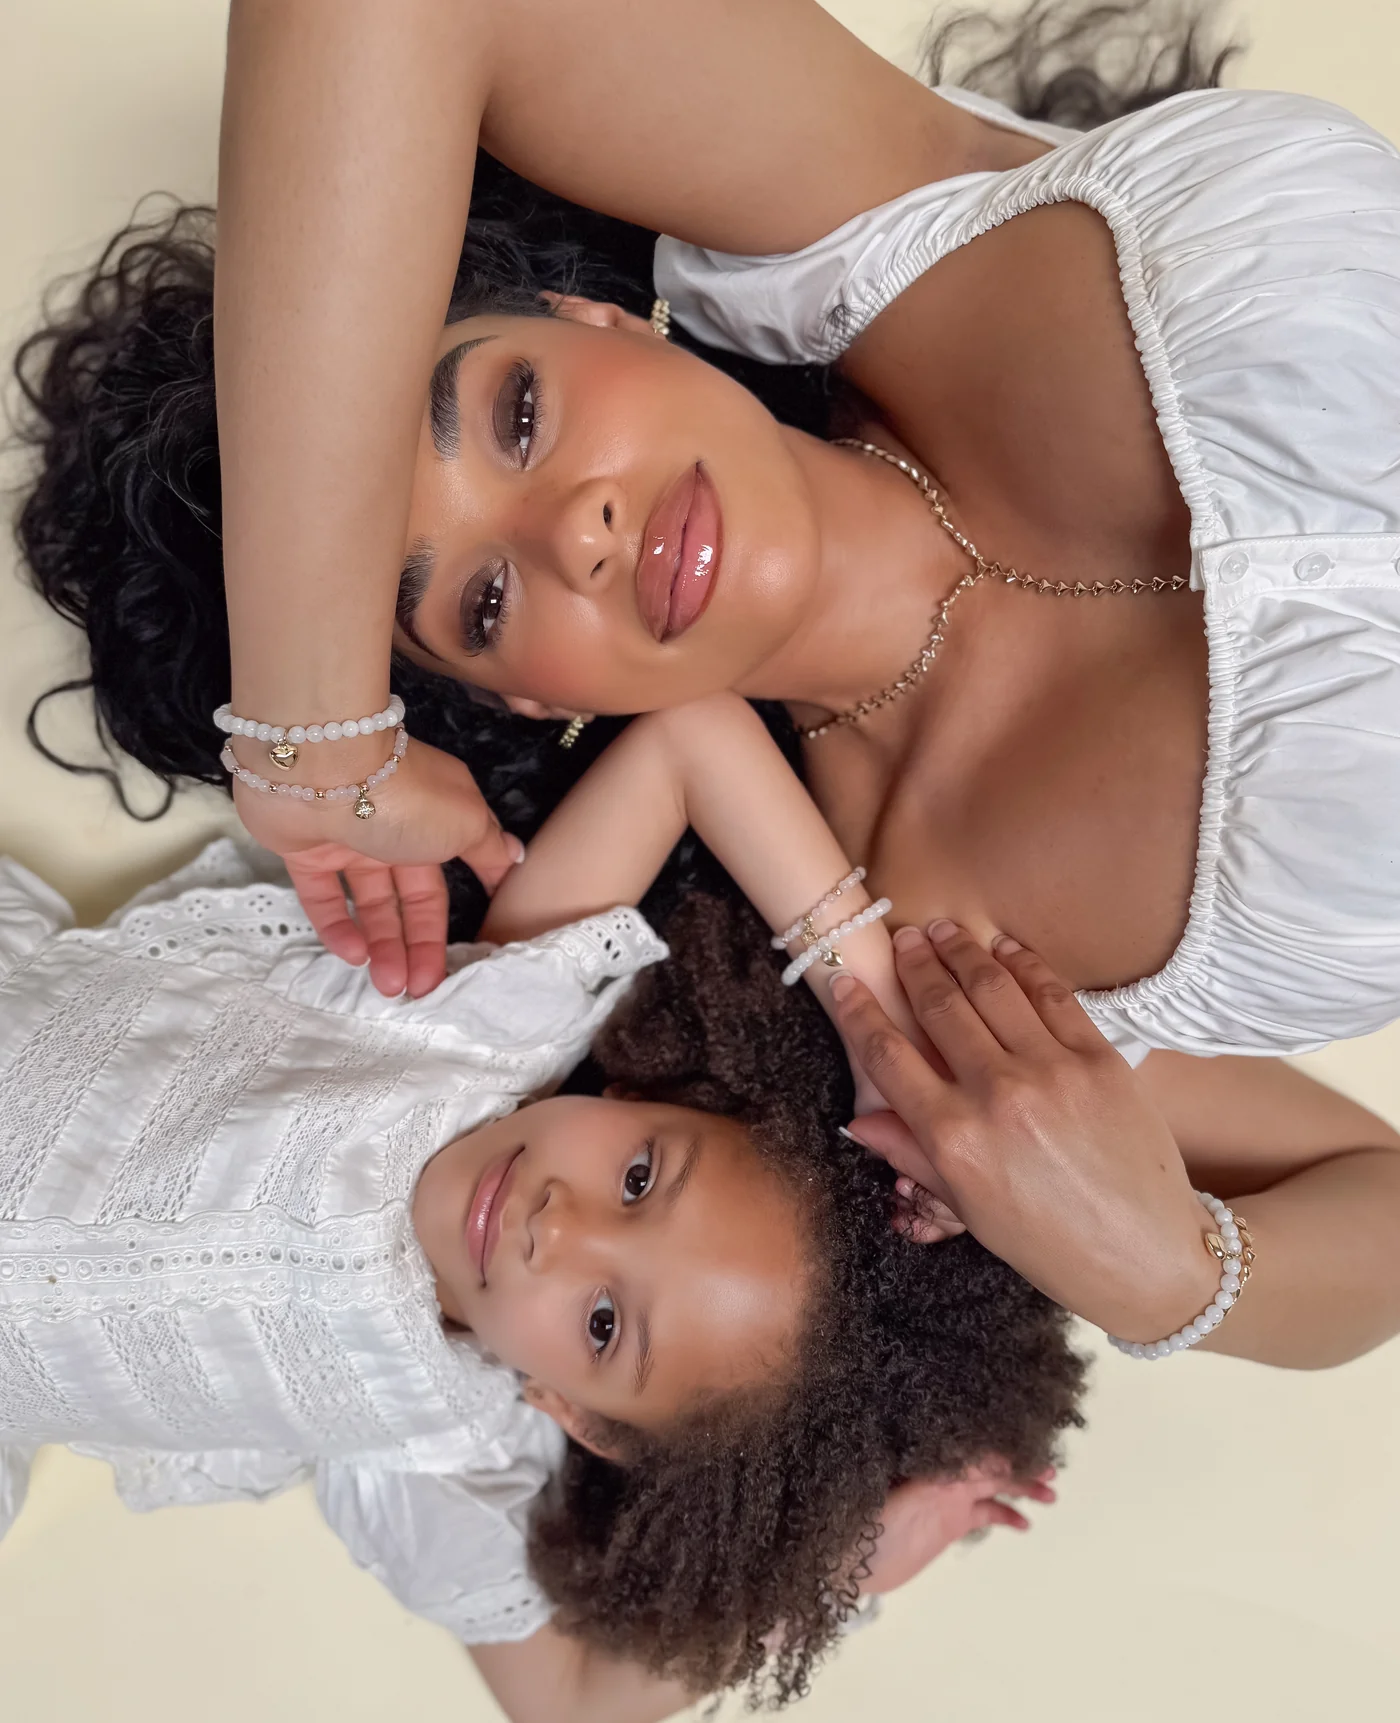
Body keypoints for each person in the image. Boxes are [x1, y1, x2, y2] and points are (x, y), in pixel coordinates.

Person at [11, 0, 1400, 1412]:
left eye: (516, 414)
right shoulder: (928, 965)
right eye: (481, 601)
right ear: (536, 701)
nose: (574, 531)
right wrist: (1166, 1272)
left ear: (598, 320)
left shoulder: (883, 226)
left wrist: (310, 732)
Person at [0, 696, 1080, 1723]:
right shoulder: (482, 1031)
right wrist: (869, 1019)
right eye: (641, 1178)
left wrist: (864, 1559)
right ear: (652, 1093)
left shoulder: (425, 1438)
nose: (555, 1226)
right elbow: (691, 743)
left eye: (603, 1323)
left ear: (578, 1417)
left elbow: (561, 1700)